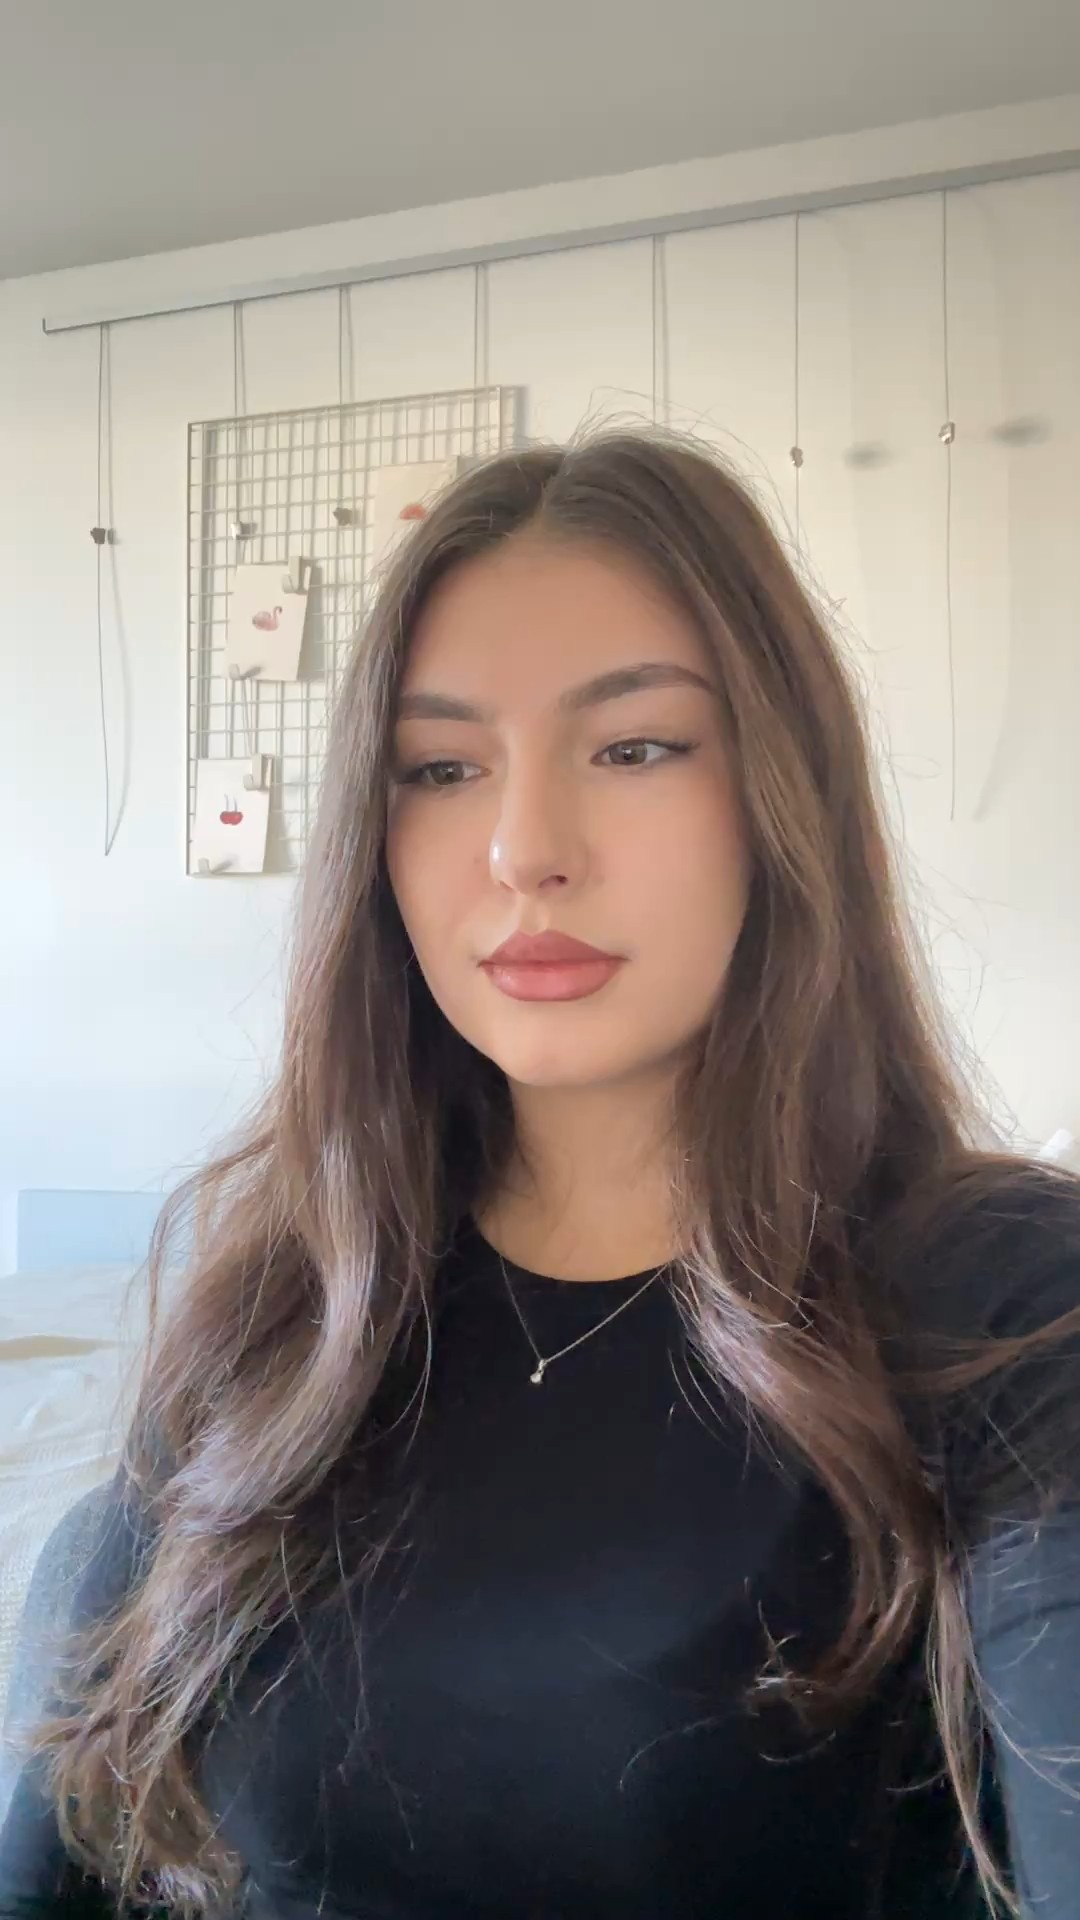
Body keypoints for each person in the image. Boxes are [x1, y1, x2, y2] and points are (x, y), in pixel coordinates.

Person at [1, 431, 1078, 1920]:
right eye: (442, 769)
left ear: (785, 796)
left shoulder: (1006, 1304)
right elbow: (61, 1837)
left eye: (634, 747)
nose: (522, 850)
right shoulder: (291, 1300)